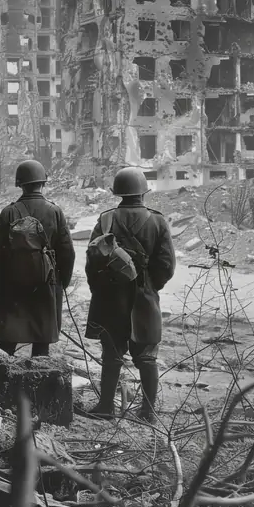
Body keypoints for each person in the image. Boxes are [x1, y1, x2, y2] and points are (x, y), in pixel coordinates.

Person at [85, 166, 176, 422]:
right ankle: (148, 412)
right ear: (143, 192)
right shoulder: (158, 221)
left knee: (111, 355)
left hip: (110, 299)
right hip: (144, 299)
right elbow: (167, 266)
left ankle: (105, 407)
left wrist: (102, 289)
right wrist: (149, 287)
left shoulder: (105, 220)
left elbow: (92, 262)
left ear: (118, 192)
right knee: (147, 357)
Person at [0, 160, 75, 357]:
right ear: (43, 183)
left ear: (20, 184)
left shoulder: (8, 212)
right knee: (41, 343)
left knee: (7, 341)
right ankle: (38, 384)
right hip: (46, 285)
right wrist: (60, 283)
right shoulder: (55, 212)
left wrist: (1, 282)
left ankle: (1, 382)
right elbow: (67, 252)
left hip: (12, 286)